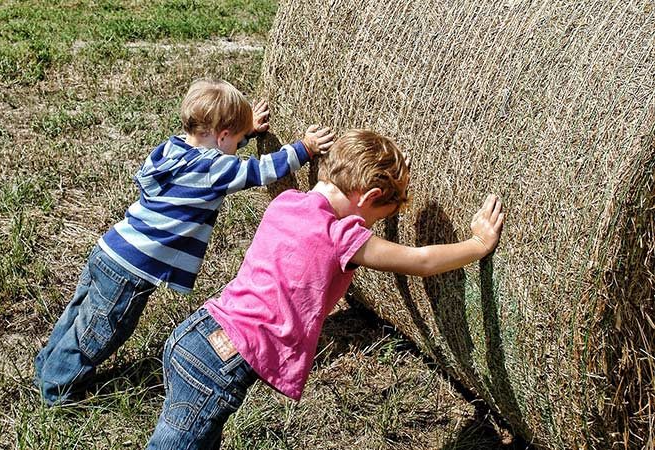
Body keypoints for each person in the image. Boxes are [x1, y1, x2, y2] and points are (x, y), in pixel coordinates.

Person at [146, 129, 505, 449]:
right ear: (370, 196)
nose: (374, 225)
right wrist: (477, 243)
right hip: (222, 362)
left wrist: (383, 186)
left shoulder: (286, 202)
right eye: (382, 213)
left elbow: (347, 208)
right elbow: (421, 261)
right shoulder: (341, 236)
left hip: (197, 335)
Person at [34, 78, 335, 405]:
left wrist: (245, 132)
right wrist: (304, 148)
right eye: (235, 140)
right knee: (99, 332)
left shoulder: (172, 147)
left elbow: (216, 155)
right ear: (221, 136)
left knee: (77, 315)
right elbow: (260, 171)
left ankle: (47, 366)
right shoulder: (211, 168)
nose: (238, 147)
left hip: (111, 249)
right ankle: (58, 391)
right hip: (132, 269)